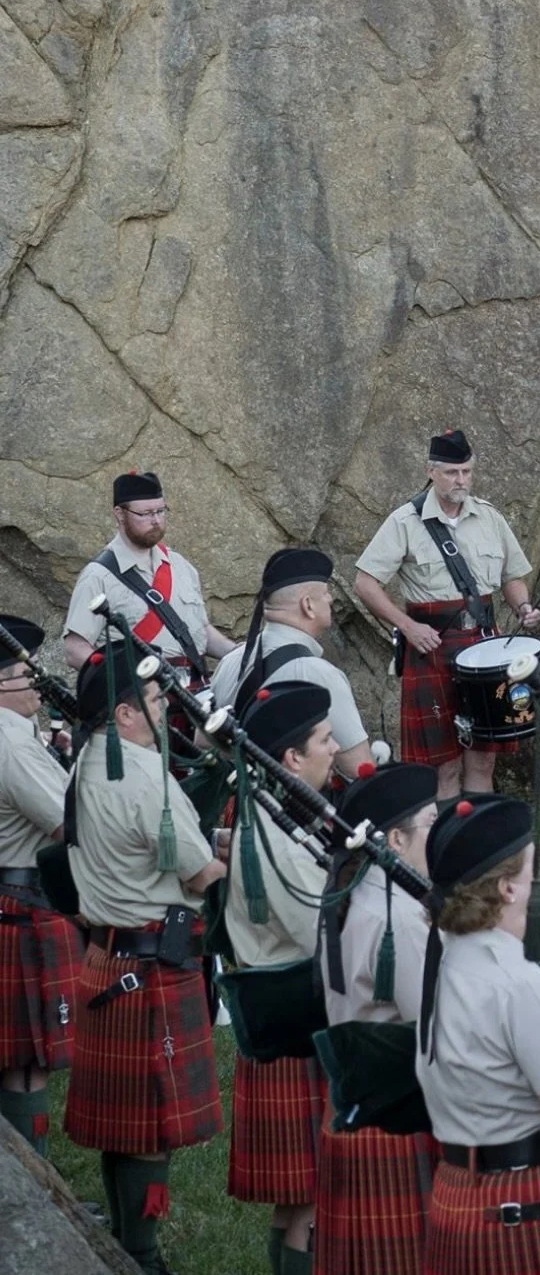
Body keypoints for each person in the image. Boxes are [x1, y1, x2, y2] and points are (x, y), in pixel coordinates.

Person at [63, 639, 226, 1273]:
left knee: (120, 1128)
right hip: (151, 968)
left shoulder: (85, 761)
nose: (165, 711)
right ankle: (142, 1256)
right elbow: (199, 872)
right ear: (126, 713)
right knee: (152, 1131)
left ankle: (123, 1241)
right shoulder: (143, 776)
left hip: (106, 960)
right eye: (156, 700)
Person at [415, 794, 540, 1275]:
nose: (535, 883)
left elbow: (496, 1074)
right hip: (522, 1208)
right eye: (530, 871)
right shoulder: (520, 984)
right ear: (506, 888)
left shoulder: (441, 963)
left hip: (456, 1195)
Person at [354, 429, 540, 798]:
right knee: (444, 765)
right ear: (431, 472)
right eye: (452, 473)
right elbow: (365, 583)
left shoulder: (489, 517)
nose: (461, 480)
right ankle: (446, 832)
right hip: (432, 648)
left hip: (484, 646)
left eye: (467, 472)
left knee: (483, 758)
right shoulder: (404, 522)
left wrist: (523, 606)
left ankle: (479, 832)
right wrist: (407, 626)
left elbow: (512, 577)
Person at [222, 682, 334, 1275]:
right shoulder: (281, 842)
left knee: (293, 1200)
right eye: (324, 739)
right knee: (313, 1200)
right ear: (292, 757)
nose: (335, 748)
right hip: (297, 1022)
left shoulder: (265, 817)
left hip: (276, 1017)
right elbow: (325, 935)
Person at [315, 761, 439, 1275]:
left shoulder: (353, 892)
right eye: (431, 824)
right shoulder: (399, 919)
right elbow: (436, 1026)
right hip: (394, 1120)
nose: (440, 836)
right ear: (397, 839)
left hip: (354, 1109)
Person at [0, 614, 77, 1155]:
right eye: (25, 674)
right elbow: (69, 827)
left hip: (12, 903)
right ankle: (34, 1190)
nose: (36, 683)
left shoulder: (20, 738)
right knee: (25, 1065)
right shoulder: (12, 745)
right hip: (22, 904)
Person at [211, 547, 372, 781]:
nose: (330, 599)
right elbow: (358, 768)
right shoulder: (318, 673)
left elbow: (204, 742)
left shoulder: (230, 660)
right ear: (308, 605)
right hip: (290, 803)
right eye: (325, 593)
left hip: (237, 800)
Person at [63, 469, 236, 677]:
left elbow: (201, 631)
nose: (156, 521)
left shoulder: (180, 565)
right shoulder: (97, 577)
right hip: (140, 690)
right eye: (145, 514)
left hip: (196, 686)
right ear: (120, 514)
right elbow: (74, 650)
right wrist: (124, 682)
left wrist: (238, 653)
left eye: (160, 511)